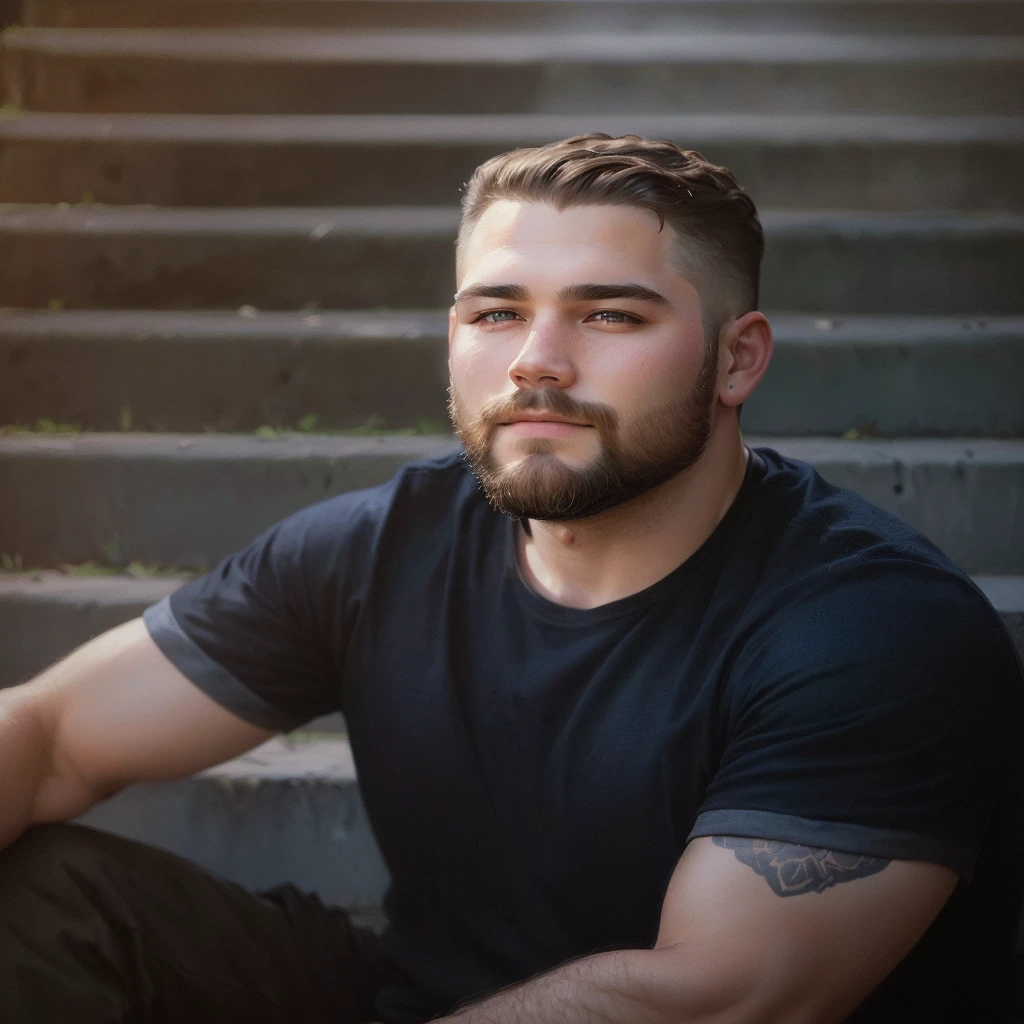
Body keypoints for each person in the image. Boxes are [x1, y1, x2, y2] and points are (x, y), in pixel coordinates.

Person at [0, 133, 1021, 1024]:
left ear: (736, 360)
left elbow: (718, 997)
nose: (537, 361)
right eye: (495, 312)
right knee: (49, 895)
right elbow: (46, 738)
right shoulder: (374, 548)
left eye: (609, 316)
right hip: (420, 999)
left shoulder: (873, 631)